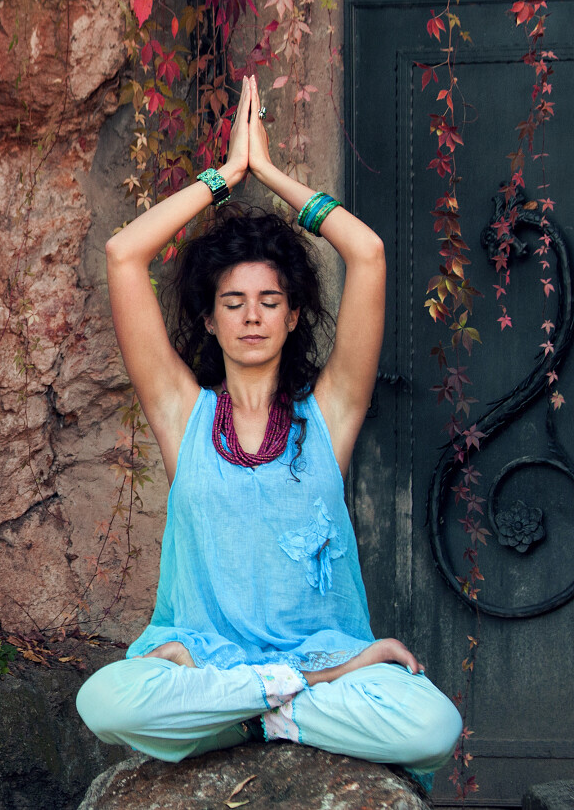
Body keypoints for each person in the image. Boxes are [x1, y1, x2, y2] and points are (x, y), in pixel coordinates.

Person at [76, 75, 462, 787]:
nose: (251, 316)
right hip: (213, 660)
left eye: (269, 300)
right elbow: (123, 255)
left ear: (292, 316)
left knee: (433, 723)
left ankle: (258, 709)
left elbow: (368, 253)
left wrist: (274, 174)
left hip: (323, 666)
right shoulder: (183, 415)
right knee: (103, 698)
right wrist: (225, 176)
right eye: (233, 302)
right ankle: (271, 701)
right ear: (211, 317)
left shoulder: (329, 416)